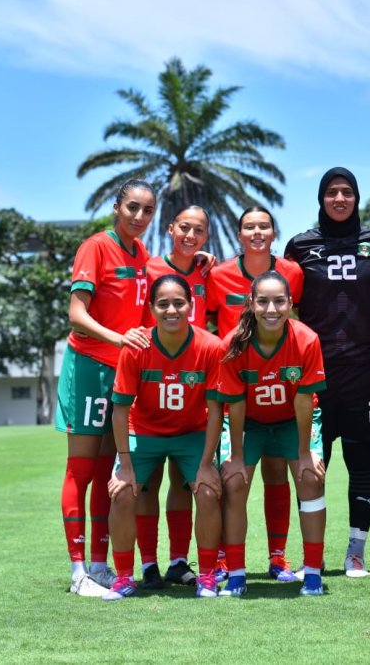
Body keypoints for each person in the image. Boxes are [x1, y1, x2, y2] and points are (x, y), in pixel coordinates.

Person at [285, 167, 370, 577]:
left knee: (361, 460)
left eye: (347, 192)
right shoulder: (300, 246)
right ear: (321, 198)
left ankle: (355, 553)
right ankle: (310, 556)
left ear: (357, 198)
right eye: (332, 192)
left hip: (364, 369)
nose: (339, 199)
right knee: (312, 462)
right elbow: (283, 301)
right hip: (313, 371)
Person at [55, 179, 155, 596]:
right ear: (117, 206)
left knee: (106, 473)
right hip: (89, 367)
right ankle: (78, 573)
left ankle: (99, 564)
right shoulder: (95, 246)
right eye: (132, 207)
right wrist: (118, 339)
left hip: (120, 374)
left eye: (148, 210)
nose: (139, 216)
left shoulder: (143, 254)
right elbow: (76, 314)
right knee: (80, 470)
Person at [102, 274, 225, 600]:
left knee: (210, 490)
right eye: (163, 304)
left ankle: (209, 576)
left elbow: (215, 410)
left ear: (191, 305)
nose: (172, 310)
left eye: (179, 303)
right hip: (144, 431)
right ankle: (125, 577)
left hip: (191, 432)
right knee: (123, 491)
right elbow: (119, 410)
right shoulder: (137, 347)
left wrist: (206, 463)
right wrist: (125, 464)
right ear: (151, 308)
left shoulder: (211, 347)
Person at [207, 206, 305, 582]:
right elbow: (213, 326)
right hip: (233, 388)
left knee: (277, 473)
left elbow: (295, 324)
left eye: (264, 226)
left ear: (274, 231)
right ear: (239, 233)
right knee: (233, 476)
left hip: (277, 387)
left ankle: (278, 558)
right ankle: (223, 559)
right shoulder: (217, 275)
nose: (257, 232)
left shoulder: (293, 272)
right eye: (249, 226)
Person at [215, 271, 328, 597]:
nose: (271, 309)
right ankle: (236, 575)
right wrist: (236, 458)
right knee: (234, 482)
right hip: (249, 424)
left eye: (279, 301)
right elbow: (234, 406)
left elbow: (304, 401)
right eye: (262, 301)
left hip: (293, 423)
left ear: (291, 303)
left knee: (310, 478)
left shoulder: (306, 340)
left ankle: (313, 574)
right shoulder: (234, 343)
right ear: (250, 303)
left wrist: (305, 453)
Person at [136, 206, 214, 589]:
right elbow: (136, 326)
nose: (190, 235)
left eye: (199, 230)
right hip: (152, 387)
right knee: (146, 484)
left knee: (184, 484)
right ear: (170, 229)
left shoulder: (205, 271)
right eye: (185, 227)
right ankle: (147, 564)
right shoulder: (149, 269)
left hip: (192, 388)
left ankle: (179, 561)